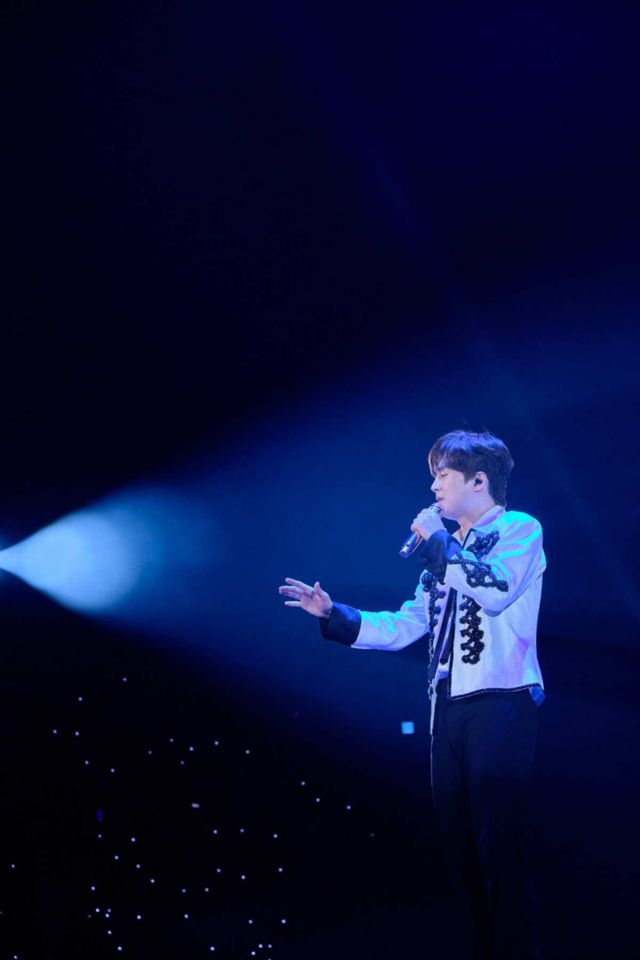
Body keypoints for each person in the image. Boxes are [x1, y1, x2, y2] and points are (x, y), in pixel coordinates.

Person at [278, 430, 545, 960]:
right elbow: (407, 624)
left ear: (478, 481)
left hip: (501, 700)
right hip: (446, 708)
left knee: (498, 846)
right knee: (459, 851)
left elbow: (494, 590)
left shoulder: (519, 529)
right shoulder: (445, 551)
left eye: (442, 475)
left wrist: (438, 543)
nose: (434, 486)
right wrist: (334, 614)